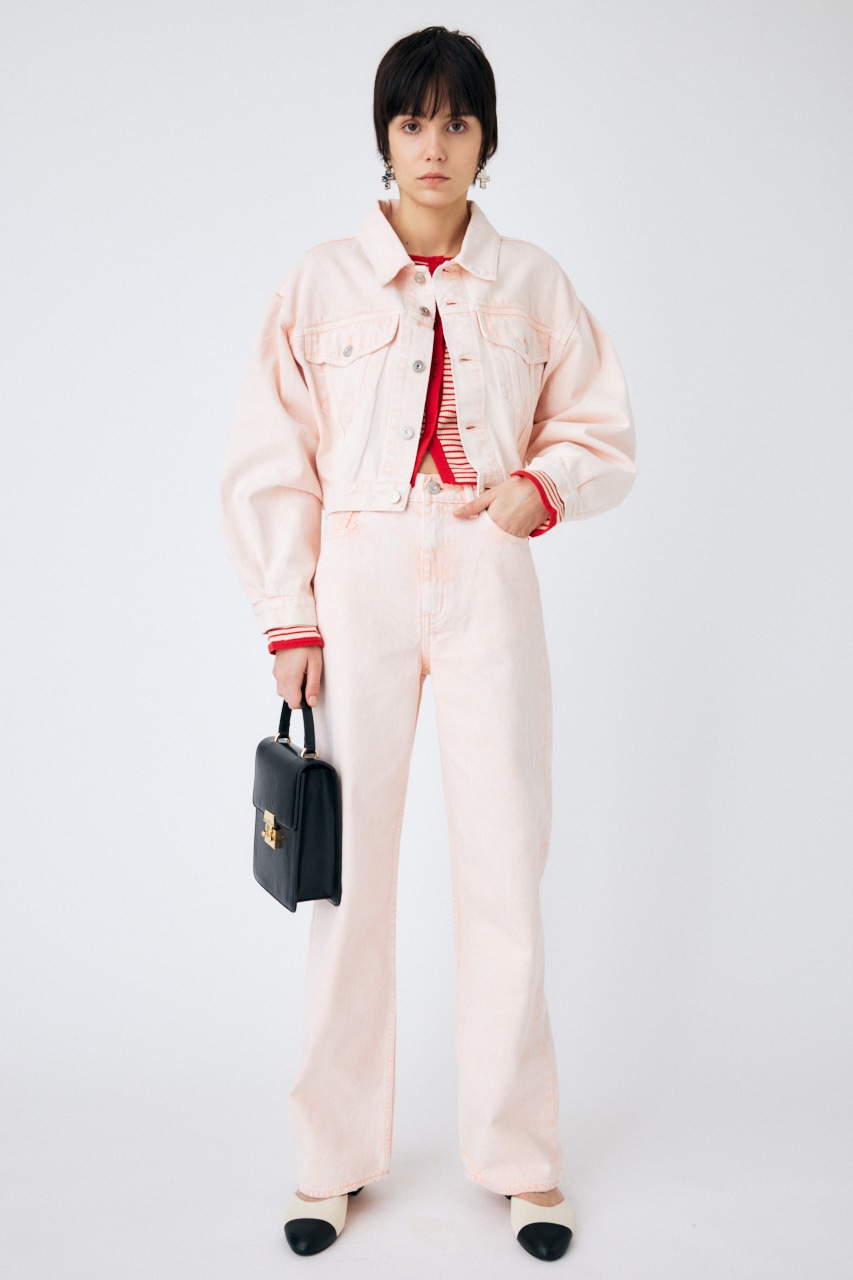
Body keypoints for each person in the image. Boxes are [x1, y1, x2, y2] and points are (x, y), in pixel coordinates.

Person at [219, 24, 636, 1262]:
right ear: (384, 136)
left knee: (505, 862)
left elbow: (600, 428)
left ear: (486, 139)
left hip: (488, 573)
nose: (434, 146)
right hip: (356, 583)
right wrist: (289, 615)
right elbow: (270, 455)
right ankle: (329, 1157)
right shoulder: (320, 282)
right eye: (413, 122)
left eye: (457, 123)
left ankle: (520, 1161)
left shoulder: (534, 282)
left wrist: (539, 487)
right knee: (347, 880)